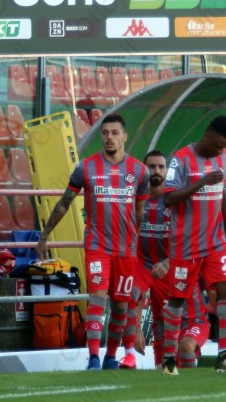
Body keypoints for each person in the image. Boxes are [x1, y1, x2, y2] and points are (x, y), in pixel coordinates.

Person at [36, 113, 149, 370]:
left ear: (124, 137)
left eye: (115, 133)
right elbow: (64, 203)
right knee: (98, 297)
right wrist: (44, 236)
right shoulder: (85, 168)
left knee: (120, 305)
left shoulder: (139, 171)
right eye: (105, 133)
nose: (109, 137)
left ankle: (111, 357)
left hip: (126, 250)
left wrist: (137, 243)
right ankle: (94, 358)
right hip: (97, 246)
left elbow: (140, 213)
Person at [160, 115, 226, 375]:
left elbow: (221, 194)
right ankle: (168, 359)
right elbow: (168, 199)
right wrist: (201, 181)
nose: (221, 151)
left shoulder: (221, 159)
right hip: (186, 245)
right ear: (207, 136)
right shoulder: (181, 160)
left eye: (225, 147)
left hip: (216, 242)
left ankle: (225, 354)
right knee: (177, 300)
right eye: (219, 145)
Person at [121, 150, 171, 369]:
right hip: (142, 262)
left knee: (165, 319)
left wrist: (169, 262)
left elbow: (188, 236)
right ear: (143, 170)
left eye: (161, 166)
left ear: (166, 171)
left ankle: (163, 364)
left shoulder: (173, 199)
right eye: (151, 166)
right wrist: (137, 328)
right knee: (129, 296)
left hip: (168, 265)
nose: (156, 171)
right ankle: (130, 353)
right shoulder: (133, 199)